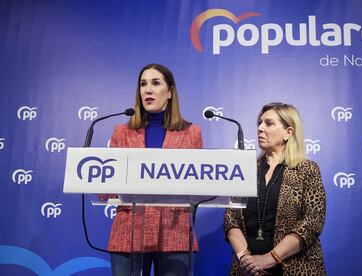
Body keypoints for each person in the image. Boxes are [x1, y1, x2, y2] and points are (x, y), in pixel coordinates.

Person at [105, 63, 203, 275]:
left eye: (155, 83)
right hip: (128, 232)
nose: (147, 89)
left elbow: (197, 187)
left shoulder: (191, 133)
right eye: (143, 84)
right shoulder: (121, 133)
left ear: (169, 92)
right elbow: (105, 191)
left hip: (174, 230)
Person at [224, 102, 326, 275]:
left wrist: (268, 259)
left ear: (288, 132)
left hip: (295, 268)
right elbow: (231, 218)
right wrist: (246, 259)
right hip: (247, 270)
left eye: (269, 123)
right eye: (259, 123)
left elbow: (312, 222)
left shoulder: (307, 170)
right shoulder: (245, 169)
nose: (260, 128)